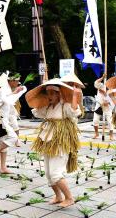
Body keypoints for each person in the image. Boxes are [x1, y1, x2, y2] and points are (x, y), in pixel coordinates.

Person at [26, 78, 81, 208]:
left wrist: (74, 96)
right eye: (47, 93)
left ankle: (69, 198)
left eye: (52, 93)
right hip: (47, 142)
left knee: (56, 173)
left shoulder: (65, 106)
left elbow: (74, 112)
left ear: (59, 94)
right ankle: (58, 196)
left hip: (60, 143)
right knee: (48, 174)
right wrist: (41, 98)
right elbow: (37, 112)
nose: (49, 95)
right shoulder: (48, 107)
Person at [0, 72, 26, 174]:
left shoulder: (7, 90)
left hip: (2, 120)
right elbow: (7, 100)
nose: (18, 83)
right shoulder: (4, 89)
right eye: (17, 81)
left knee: (3, 142)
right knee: (13, 138)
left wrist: (17, 92)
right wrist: (16, 93)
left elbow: (9, 101)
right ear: (11, 81)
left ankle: (3, 168)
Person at [93, 75, 114, 141]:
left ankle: (111, 136)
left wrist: (105, 94)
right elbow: (95, 83)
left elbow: (113, 101)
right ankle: (96, 134)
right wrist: (102, 77)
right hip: (99, 105)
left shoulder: (111, 90)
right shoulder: (101, 86)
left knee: (110, 122)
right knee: (95, 120)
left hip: (107, 108)